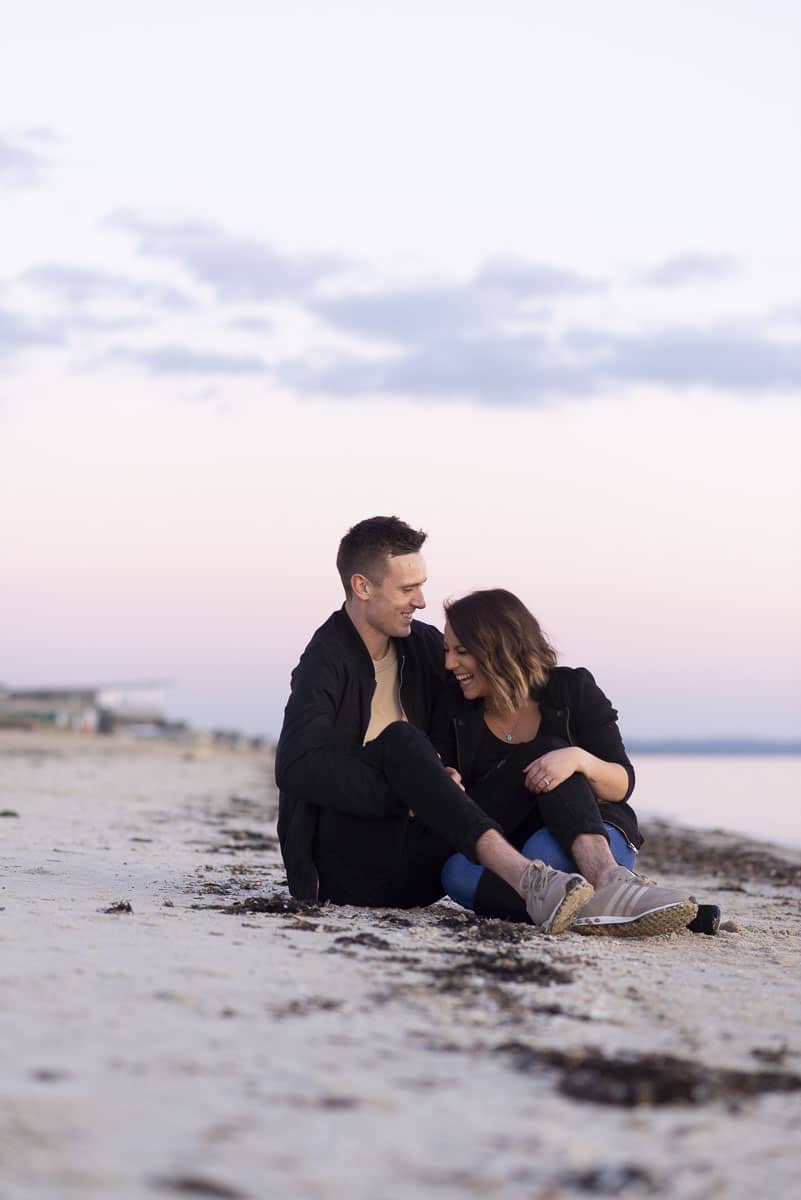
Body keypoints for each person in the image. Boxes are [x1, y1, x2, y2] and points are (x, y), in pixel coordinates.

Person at [275, 516, 599, 934]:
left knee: (547, 752)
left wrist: (572, 710)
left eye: (421, 586)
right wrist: (412, 790)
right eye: (407, 589)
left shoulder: (426, 648)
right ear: (362, 586)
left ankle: (608, 884)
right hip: (348, 871)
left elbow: (489, 682)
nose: (421, 601)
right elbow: (296, 765)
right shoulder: (326, 660)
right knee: (401, 740)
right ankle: (525, 877)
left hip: (420, 857)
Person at [433, 588, 697, 936]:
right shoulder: (454, 706)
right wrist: (446, 780)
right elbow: (457, 794)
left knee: (546, 848)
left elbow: (622, 784)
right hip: (512, 850)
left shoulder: (573, 689)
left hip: (594, 831)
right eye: (447, 651)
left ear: (499, 647)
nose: (450, 664)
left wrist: (578, 760)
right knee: (456, 873)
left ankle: (607, 878)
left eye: (462, 652)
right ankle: (615, 906)